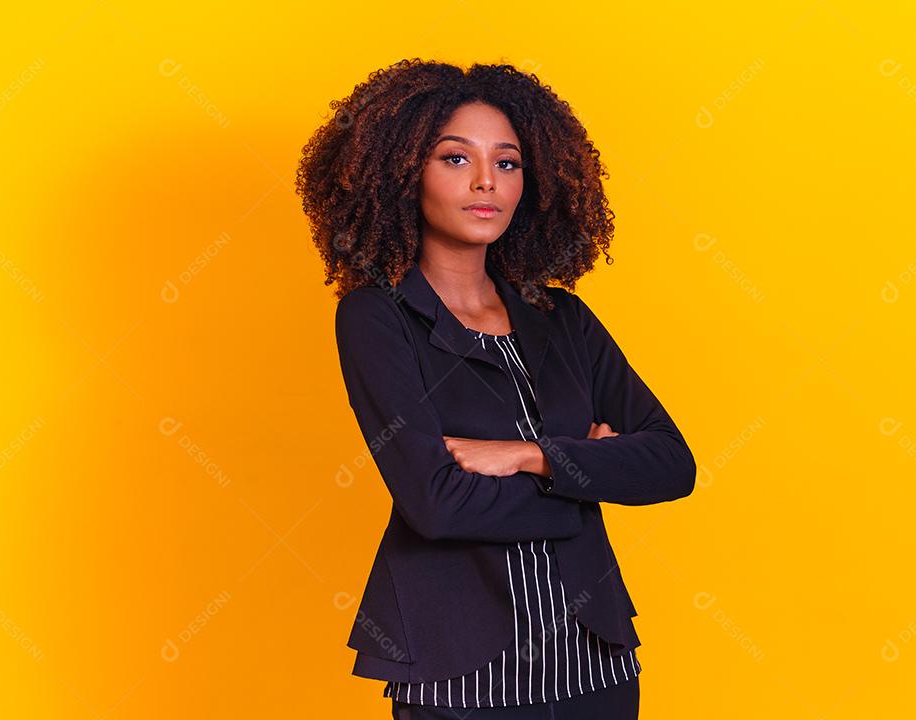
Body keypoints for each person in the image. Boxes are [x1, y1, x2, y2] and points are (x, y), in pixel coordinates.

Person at [296, 58, 696, 719]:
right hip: (462, 679)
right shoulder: (377, 317)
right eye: (455, 159)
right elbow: (438, 504)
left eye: (507, 163)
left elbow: (671, 463)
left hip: (594, 666)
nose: (487, 182)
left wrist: (533, 455)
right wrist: (586, 476)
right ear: (402, 174)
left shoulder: (562, 318)